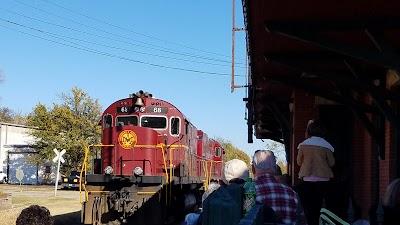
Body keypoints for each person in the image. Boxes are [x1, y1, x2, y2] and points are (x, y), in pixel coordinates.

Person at [184, 159, 249, 225]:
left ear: (221, 182)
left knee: (189, 219)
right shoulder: (252, 198)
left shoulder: (214, 200)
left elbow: (202, 219)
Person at [252, 150, 307, 224]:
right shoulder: (292, 194)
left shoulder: (246, 192)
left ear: (253, 168)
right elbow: (302, 222)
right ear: (275, 167)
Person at [297, 119, 335, 225]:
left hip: (307, 180)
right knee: (323, 208)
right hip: (324, 180)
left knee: (309, 208)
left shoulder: (303, 145)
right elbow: (332, 163)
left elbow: (299, 162)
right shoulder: (326, 146)